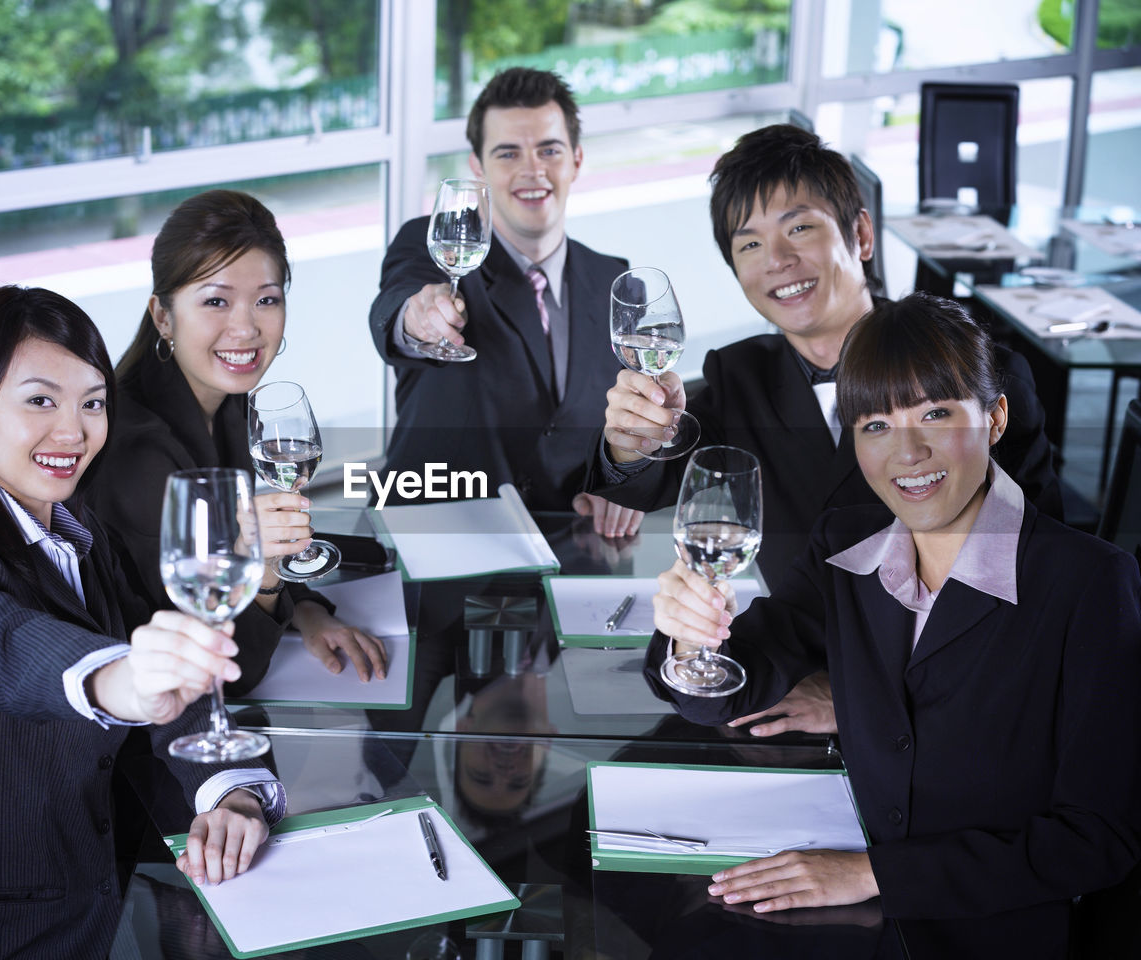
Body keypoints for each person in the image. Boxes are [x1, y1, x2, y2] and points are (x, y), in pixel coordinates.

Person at [644, 294, 1140, 954]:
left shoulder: (1088, 584)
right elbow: (733, 684)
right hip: (854, 922)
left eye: (935, 413)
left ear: (995, 417)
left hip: (991, 931)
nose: (906, 451)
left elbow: (1098, 838)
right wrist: (688, 633)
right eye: (875, 425)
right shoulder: (846, 544)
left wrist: (872, 874)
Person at [0, 286, 284, 957]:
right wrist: (117, 680)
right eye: (40, 400)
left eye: (92, 402)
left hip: (99, 901)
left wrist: (232, 793)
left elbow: (165, 682)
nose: (74, 432)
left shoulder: (78, 530)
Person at [590, 123, 1062, 589]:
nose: (777, 259)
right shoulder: (739, 377)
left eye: (799, 227)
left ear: (860, 235)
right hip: (794, 651)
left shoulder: (976, 373)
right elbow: (645, 485)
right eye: (750, 243)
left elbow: (1044, 552)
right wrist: (632, 439)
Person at [88, 189, 386, 685]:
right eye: (216, 301)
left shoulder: (227, 401)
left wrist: (308, 611)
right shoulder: (138, 455)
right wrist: (268, 574)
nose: (246, 328)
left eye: (266, 299)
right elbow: (223, 672)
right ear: (163, 316)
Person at [369, 67, 643, 536]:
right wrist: (416, 317)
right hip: (437, 546)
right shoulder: (431, 245)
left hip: (572, 553)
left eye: (549, 150)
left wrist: (625, 481)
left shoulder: (617, 282)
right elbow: (399, 304)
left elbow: (628, 425)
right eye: (508, 152)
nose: (531, 170)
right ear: (478, 167)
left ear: (576, 160)